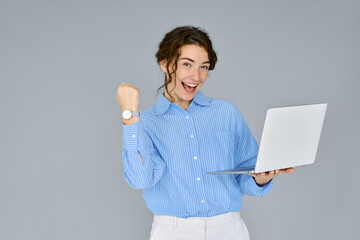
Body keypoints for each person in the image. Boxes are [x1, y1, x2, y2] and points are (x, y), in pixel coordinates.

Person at [117, 26, 294, 240]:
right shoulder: (144, 123)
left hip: (229, 230)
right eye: (186, 64)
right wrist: (130, 116)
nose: (196, 76)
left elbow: (246, 178)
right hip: (173, 232)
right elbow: (139, 179)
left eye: (204, 67)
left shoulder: (226, 113)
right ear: (164, 64)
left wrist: (261, 180)